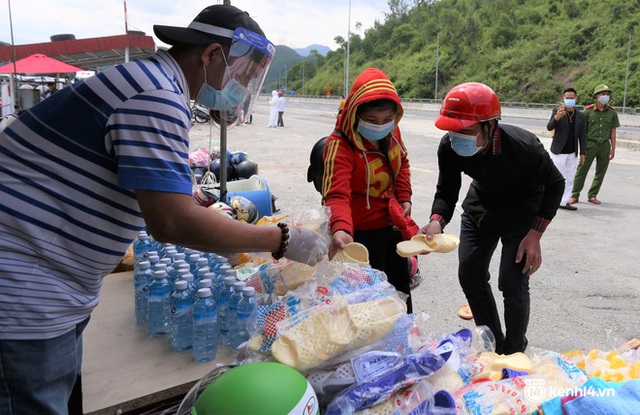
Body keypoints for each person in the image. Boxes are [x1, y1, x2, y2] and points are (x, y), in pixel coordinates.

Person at [0, 5, 327, 414]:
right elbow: (170, 221)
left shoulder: (151, 83)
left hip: (48, 284)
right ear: (209, 56)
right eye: (240, 75)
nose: (242, 87)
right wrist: (282, 239)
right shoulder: (155, 94)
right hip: (24, 287)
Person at [419, 82, 564, 355]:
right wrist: (438, 219)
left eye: (467, 130)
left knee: (512, 281)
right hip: (481, 206)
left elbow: (556, 185)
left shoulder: (524, 146)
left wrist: (535, 235)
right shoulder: (450, 147)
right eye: (453, 130)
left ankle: (516, 351)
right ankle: (494, 344)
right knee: (469, 274)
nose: (457, 136)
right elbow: (446, 191)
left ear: (490, 125)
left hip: (523, 211)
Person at [322, 68, 416, 313]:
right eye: (372, 121)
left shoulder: (392, 132)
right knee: (368, 306)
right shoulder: (340, 144)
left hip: (392, 228)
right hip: (360, 237)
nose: (381, 126)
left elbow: (402, 163)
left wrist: (404, 197)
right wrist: (340, 227)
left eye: (387, 120)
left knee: (399, 297)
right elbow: (336, 193)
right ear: (355, 114)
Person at [569, 84, 620, 206]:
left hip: (604, 146)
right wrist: (582, 149)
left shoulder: (612, 113)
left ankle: (592, 195)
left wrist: (613, 149)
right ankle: (574, 194)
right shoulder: (588, 111)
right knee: (582, 170)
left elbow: (613, 131)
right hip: (590, 144)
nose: (605, 97)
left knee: (600, 172)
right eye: (603, 94)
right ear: (596, 96)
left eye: (607, 95)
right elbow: (582, 132)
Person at [546, 87, 587, 210]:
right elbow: (549, 127)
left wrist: (583, 152)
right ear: (563, 99)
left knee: (570, 178)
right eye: (567, 98)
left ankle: (564, 202)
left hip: (572, 152)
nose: (569, 100)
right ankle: (553, 200)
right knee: (558, 177)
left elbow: (582, 135)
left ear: (576, 99)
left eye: (572, 98)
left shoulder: (580, 115)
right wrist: (556, 118)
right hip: (559, 151)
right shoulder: (557, 111)